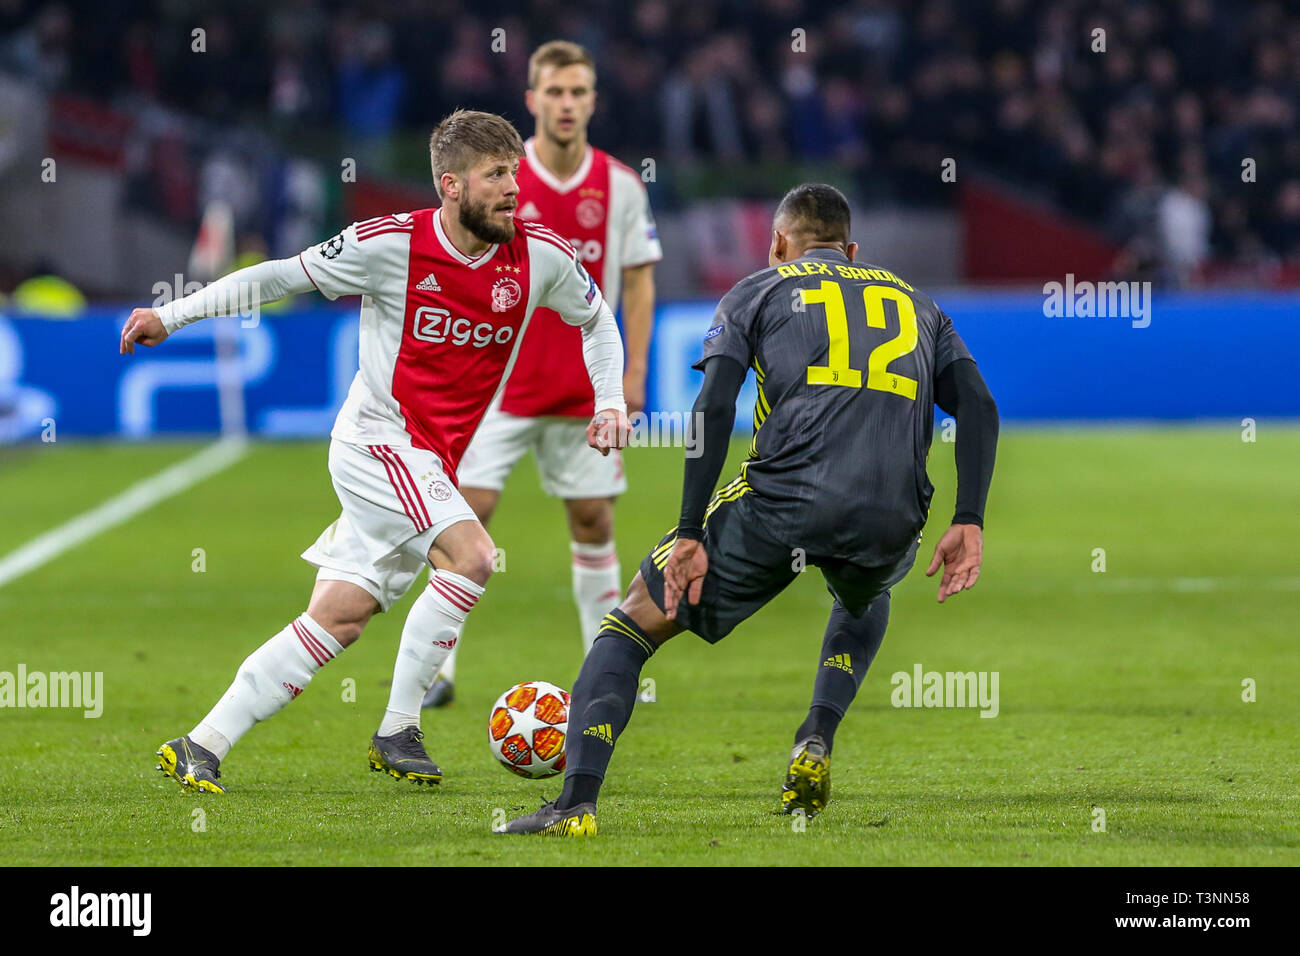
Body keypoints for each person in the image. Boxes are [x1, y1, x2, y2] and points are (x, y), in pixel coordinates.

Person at [119, 109, 629, 793]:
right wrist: (169, 316)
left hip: (430, 459)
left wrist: (610, 402)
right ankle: (398, 727)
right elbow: (275, 278)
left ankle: (200, 743)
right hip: (378, 442)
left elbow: (597, 321)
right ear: (451, 185)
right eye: (495, 175)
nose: (513, 188)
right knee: (473, 556)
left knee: (339, 617)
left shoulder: (540, 257)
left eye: (515, 172)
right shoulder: (389, 244)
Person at [496, 184, 998, 836]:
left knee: (628, 627)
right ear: (852, 250)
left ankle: (575, 804)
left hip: (784, 501)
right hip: (893, 512)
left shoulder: (760, 288)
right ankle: (815, 735)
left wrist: (687, 531)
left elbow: (712, 409)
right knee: (861, 592)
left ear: (778, 245)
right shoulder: (922, 305)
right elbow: (979, 408)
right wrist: (970, 519)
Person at [424, 41, 661, 708]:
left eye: (579, 92)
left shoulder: (619, 186)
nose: (567, 104)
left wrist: (633, 373)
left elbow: (639, 283)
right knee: (466, 517)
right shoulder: (499, 176)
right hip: (494, 386)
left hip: (581, 389)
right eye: (554, 92)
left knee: (592, 521)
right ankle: (436, 668)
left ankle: (605, 668)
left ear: (592, 100)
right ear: (532, 100)